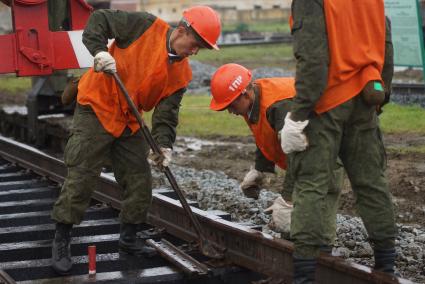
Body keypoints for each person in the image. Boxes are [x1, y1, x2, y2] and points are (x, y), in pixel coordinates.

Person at [50, 6, 221, 275]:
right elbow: (99, 19)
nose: (195, 51)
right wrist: (100, 52)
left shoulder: (182, 74)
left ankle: (128, 240)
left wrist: (164, 145)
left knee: (140, 180)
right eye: (195, 44)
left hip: (129, 119)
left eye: (201, 48)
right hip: (97, 105)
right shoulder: (144, 25)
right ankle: (62, 238)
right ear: (181, 30)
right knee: (82, 174)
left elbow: (166, 114)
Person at [283, 1, 396, 283]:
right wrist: (382, 96)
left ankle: (305, 276)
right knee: (372, 183)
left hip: (327, 103)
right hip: (366, 98)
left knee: (312, 184)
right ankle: (386, 266)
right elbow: (387, 44)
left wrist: (298, 115)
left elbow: (312, 59)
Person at [209, 63, 343, 242]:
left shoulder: (279, 106)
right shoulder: (253, 102)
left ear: (245, 94)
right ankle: (297, 258)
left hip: (325, 155)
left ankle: (322, 262)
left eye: (230, 105)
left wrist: (287, 199)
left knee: (315, 224)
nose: (229, 111)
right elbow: (265, 133)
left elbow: (297, 155)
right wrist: (259, 169)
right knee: (295, 227)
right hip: (305, 155)